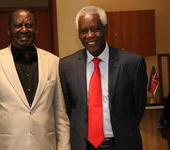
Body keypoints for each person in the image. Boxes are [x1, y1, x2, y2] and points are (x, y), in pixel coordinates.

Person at [59, 6, 148, 150]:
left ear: (106, 29)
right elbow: (70, 108)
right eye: (83, 31)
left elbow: (138, 107)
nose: (89, 35)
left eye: (95, 29)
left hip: (122, 144)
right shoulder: (66, 66)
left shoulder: (132, 63)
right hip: (84, 146)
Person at [0, 9, 70, 150]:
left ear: (37, 29)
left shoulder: (54, 62)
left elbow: (61, 115)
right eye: (18, 26)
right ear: (9, 30)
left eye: (29, 25)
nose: (24, 30)